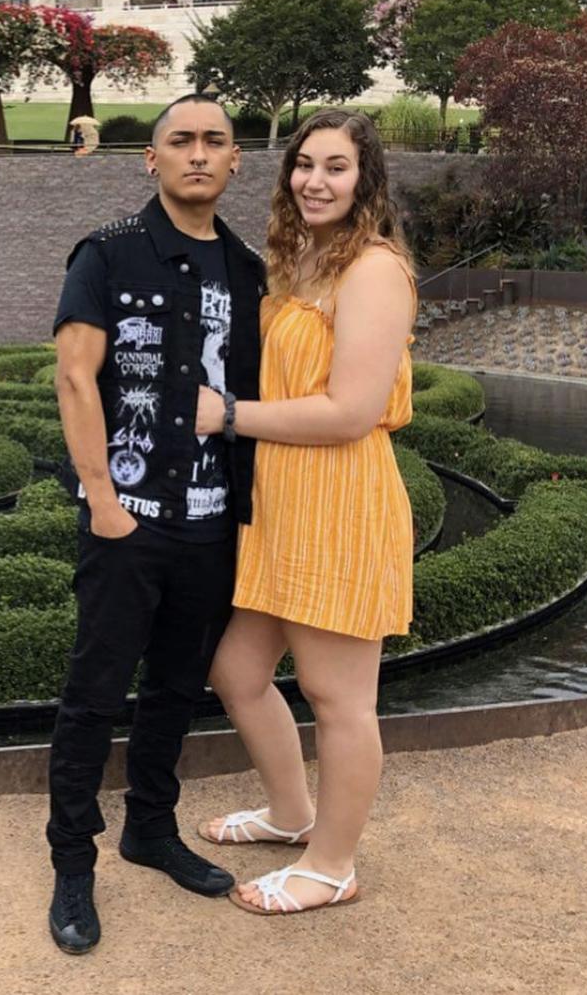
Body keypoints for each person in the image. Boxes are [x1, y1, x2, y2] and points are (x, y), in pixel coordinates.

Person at [48, 94, 265, 953]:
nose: (198, 154)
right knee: (94, 694)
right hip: (126, 523)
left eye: (214, 141)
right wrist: (103, 502)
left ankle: (149, 827)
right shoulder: (106, 252)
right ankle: (72, 861)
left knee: (177, 689)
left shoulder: (248, 270)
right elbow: (74, 377)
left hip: (210, 526)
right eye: (181, 140)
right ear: (152, 157)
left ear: (235, 159)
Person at [194, 108, 416, 916]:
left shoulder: (374, 270)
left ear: (365, 180)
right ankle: (291, 814)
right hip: (283, 501)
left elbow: (350, 411)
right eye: (304, 164)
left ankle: (331, 865)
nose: (314, 181)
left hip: (339, 497)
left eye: (335, 167)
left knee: (336, 696)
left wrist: (225, 415)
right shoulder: (304, 259)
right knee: (237, 672)